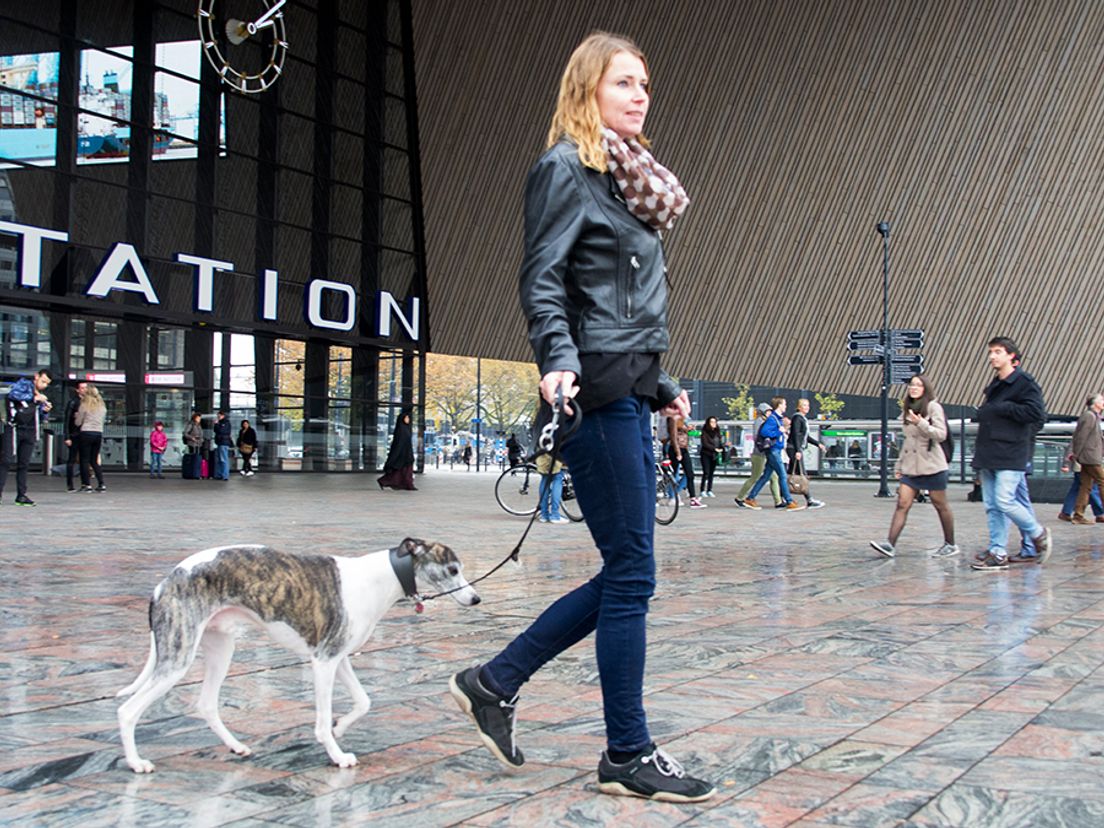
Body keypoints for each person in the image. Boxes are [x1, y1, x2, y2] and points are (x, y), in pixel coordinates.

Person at [448, 33, 714, 802]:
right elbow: (545, 281)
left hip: (627, 389)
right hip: (591, 394)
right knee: (632, 574)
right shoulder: (565, 168)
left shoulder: (629, 179)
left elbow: (622, 304)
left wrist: (661, 384)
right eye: (623, 82)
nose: (640, 95)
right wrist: (555, 357)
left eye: (645, 85)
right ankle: (625, 752)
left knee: (629, 573)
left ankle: (495, 682)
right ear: (587, 88)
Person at [971, 337, 1051, 571]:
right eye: (991, 352)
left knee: (1005, 500)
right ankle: (998, 551)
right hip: (990, 450)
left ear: (1012, 357)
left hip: (1011, 451)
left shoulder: (1024, 382)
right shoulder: (996, 383)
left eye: (998, 352)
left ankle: (1038, 534)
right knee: (992, 505)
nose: (992, 356)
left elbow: (1036, 413)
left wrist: (1002, 408)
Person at [869, 375, 957, 558]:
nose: (914, 388)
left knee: (940, 504)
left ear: (926, 388)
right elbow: (908, 441)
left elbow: (941, 434)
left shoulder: (933, 407)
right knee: (902, 503)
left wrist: (921, 423)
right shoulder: (907, 409)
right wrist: (899, 465)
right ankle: (889, 544)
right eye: (911, 385)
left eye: (918, 385)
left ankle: (950, 543)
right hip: (911, 466)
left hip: (932, 464)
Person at [736, 397, 803, 511]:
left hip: (775, 450)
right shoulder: (772, 419)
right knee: (782, 475)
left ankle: (750, 498)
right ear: (779, 405)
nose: (786, 406)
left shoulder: (777, 418)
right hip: (773, 451)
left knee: (766, 476)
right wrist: (779, 431)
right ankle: (789, 501)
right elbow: (764, 432)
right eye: (784, 404)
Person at [1, 368, 53, 506]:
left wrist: (44, 411)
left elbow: (38, 415)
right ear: (36, 377)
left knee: (24, 464)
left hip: (30, 430)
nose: (44, 385)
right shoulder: (24, 385)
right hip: (14, 427)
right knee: (6, 460)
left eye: (47, 383)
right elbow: (13, 395)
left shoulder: (40, 394)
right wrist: (34, 398)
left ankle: (21, 495)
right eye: (43, 381)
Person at [734, 403, 782, 508]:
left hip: (765, 454)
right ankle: (740, 497)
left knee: (774, 477)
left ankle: (778, 501)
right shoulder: (759, 421)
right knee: (755, 477)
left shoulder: (765, 421)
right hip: (759, 454)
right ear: (763, 412)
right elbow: (759, 437)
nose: (770, 413)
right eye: (768, 411)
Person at [1068, 393, 1104, 525]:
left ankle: (1078, 515)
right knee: (1102, 481)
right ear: (1094, 403)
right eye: (1101, 400)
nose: (1103, 402)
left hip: (1090, 456)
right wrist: (1077, 454)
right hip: (1090, 457)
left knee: (1086, 486)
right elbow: (1080, 436)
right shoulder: (1089, 416)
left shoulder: (1094, 416)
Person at [786, 398, 826, 509]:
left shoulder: (802, 418)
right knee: (802, 473)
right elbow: (796, 435)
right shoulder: (797, 418)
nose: (807, 407)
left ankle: (784, 497)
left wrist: (818, 444)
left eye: (807, 405)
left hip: (795, 448)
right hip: (794, 448)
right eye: (804, 405)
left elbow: (804, 436)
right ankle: (809, 500)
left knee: (790, 474)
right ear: (799, 407)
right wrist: (798, 450)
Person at [74, 383, 106, 493]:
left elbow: (78, 423)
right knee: (94, 460)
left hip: (86, 433)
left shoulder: (84, 405)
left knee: (84, 460)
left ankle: (86, 484)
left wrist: (77, 417)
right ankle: (101, 483)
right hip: (98, 433)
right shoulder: (102, 407)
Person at [668, 413, 705, 508]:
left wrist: (689, 429)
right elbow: (673, 437)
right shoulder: (673, 419)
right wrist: (678, 453)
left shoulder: (683, 421)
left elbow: (684, 434)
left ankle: (692, 498)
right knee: (674, 474)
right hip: (675, 449)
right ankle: (671, 496)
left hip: (684, 449)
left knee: (690, 474)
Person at [378, 407, 416, 490]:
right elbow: (399, 443)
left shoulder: (406, 429)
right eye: (406, 418)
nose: (408, 419)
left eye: (408, 418)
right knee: (402, 471)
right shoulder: (401, 430)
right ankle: (407, 484)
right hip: (403, 454)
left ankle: (404, 484)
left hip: (406, 453)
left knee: (402, 472)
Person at [62, 380, 87, 492]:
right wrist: (67, 436)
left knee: (84, 460)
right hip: (74, 434)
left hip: (84, 434)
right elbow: (67, 420)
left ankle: (84, 483)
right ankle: (70, 484)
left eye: (86, 388)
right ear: (77, 390)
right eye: (82, 388)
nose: (85, 390)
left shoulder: (88, 402)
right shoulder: (73, 402)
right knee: (72, 460)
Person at [536, 452, 568, 523]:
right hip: (555, 453)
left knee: (544, 479)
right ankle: (555, 514)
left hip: (543, 451)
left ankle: (544, 514)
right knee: (557, 478)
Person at [698, 416, 722, 498]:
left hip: (714, 455)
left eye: (715, 422)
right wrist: (714, 449)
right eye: (711, 422)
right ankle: (702, 490)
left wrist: (722, 447)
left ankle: (709, 490)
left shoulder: (717, 432)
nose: (713, 424)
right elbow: (705, 443)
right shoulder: (704, 432)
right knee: (706, 472)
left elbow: (719, 442)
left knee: (711, 473)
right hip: (706, 454)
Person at [182, 412, 204, 480]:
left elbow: (201, 434)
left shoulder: (199, 425)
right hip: (192, 444)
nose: (199, 419)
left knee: (197, 458)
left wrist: (201, 440)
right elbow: (185, 433)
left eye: (199, 418)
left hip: (198, 444)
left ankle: (196, 473)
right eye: (198, 418)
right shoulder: (191, 424)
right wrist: (192, 438)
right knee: (193, 458)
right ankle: (192, 472)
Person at [212, 410, 232, 481]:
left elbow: (221, 431)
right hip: (220, 442)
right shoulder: (221, 423)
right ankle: (220, 474)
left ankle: (224, 475)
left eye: (219, 416)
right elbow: (216, 430)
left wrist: (217, 424)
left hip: (223, 442)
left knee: (223, 459)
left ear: (223, 415)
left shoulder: (225, 423)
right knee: (220, 459)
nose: (218, 417)